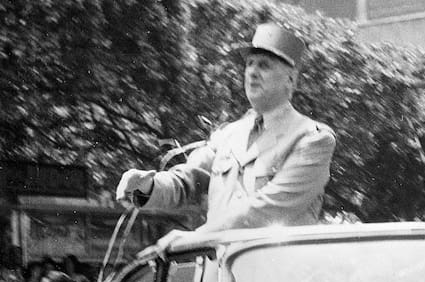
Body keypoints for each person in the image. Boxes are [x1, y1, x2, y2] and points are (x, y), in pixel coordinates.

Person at [115, 22, 336, 235]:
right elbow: (185, 181)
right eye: (249, 64)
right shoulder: (227, 136)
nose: (252, 72)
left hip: (274, 271)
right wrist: (146, 187)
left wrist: (199, 236)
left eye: (264, 65)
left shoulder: (312, 138)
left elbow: (271, 207)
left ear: (291, 79)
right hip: (217, 270)